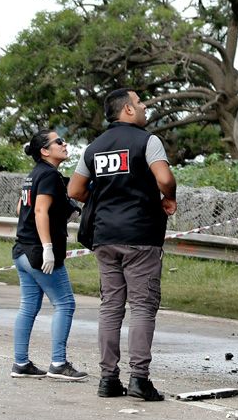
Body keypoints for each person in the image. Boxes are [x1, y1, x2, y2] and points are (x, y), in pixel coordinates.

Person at [68, 88, 176, 402]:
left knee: (111, 307)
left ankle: (108, 379)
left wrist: (106, 201)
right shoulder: (148, 141)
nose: (144, 108)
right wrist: (168, 197)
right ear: (127, 110)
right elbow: (165, 179)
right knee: (142, 307)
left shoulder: (94, 147)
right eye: (140, 103)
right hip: (141, 235)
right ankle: (140, 378)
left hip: (104, 236)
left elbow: (75, 189)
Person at [11, 129, 88, 381]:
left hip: (21, 250)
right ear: (45, 151)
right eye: (58, 142)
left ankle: (21, 363)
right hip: (38, 252)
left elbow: (21, 207)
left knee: (28, 306)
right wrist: (47, 248)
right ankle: (58, 363)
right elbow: (40, 212)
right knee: (65, 304)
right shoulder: (49, 175)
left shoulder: (32, 175)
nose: (64, 144)